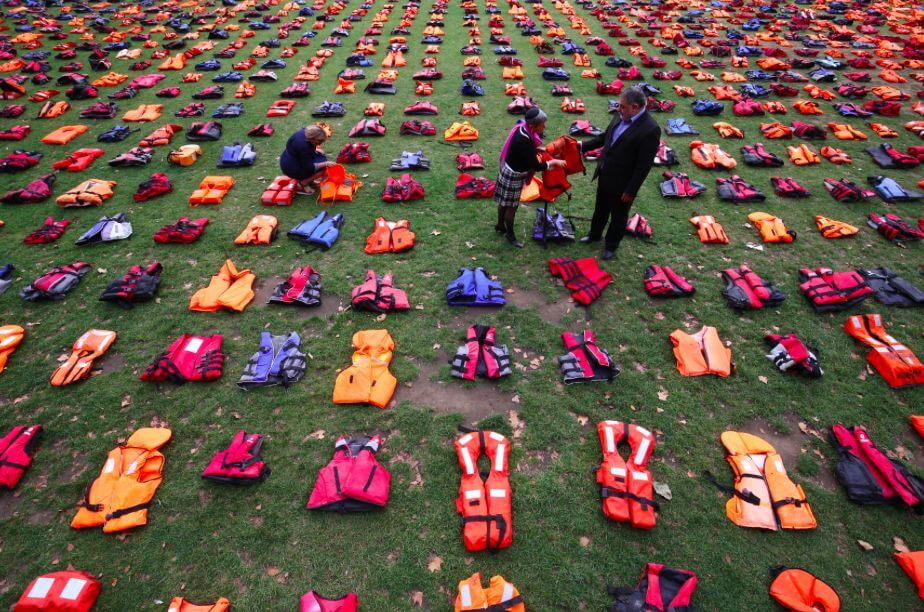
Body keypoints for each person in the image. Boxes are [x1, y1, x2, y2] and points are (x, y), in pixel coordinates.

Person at [579, 86, 661, 259]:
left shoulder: (650, 129)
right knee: (600, 209)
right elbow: (605, 137)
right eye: (619, 105)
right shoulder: (622, 114)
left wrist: (631, 190)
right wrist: (581, 146)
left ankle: (611, 245)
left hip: (623, 183)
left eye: (623, 106)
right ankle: (594, 235)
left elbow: (643, 166)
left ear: (636, 107)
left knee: (619, 216)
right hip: (605, 173)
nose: (619, 109)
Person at [494, 107, 567, 247]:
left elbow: (527, 152)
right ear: (533, 126)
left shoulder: (522, 128)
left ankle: (500, 225)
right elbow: (537, 166)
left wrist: (537, 149)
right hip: (514, 176)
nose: (545, 126)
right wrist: (555, 162)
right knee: (512, 207)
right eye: (542, 124)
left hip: (507, 170)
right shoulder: (525, 141)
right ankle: (510, 235)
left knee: (504, 202)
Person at [280, 125, 334, 195]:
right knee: (324, 168)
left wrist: (315, 149)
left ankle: (310, 181)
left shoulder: (305, 132)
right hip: (291, 167)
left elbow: (293, 146)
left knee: (321, 157)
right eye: (319, 142)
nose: (320, 143)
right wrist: (326, 163)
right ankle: (303, 183)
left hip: (288, 158)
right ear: (312, 138)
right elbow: (309, 167)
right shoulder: (305, 148)